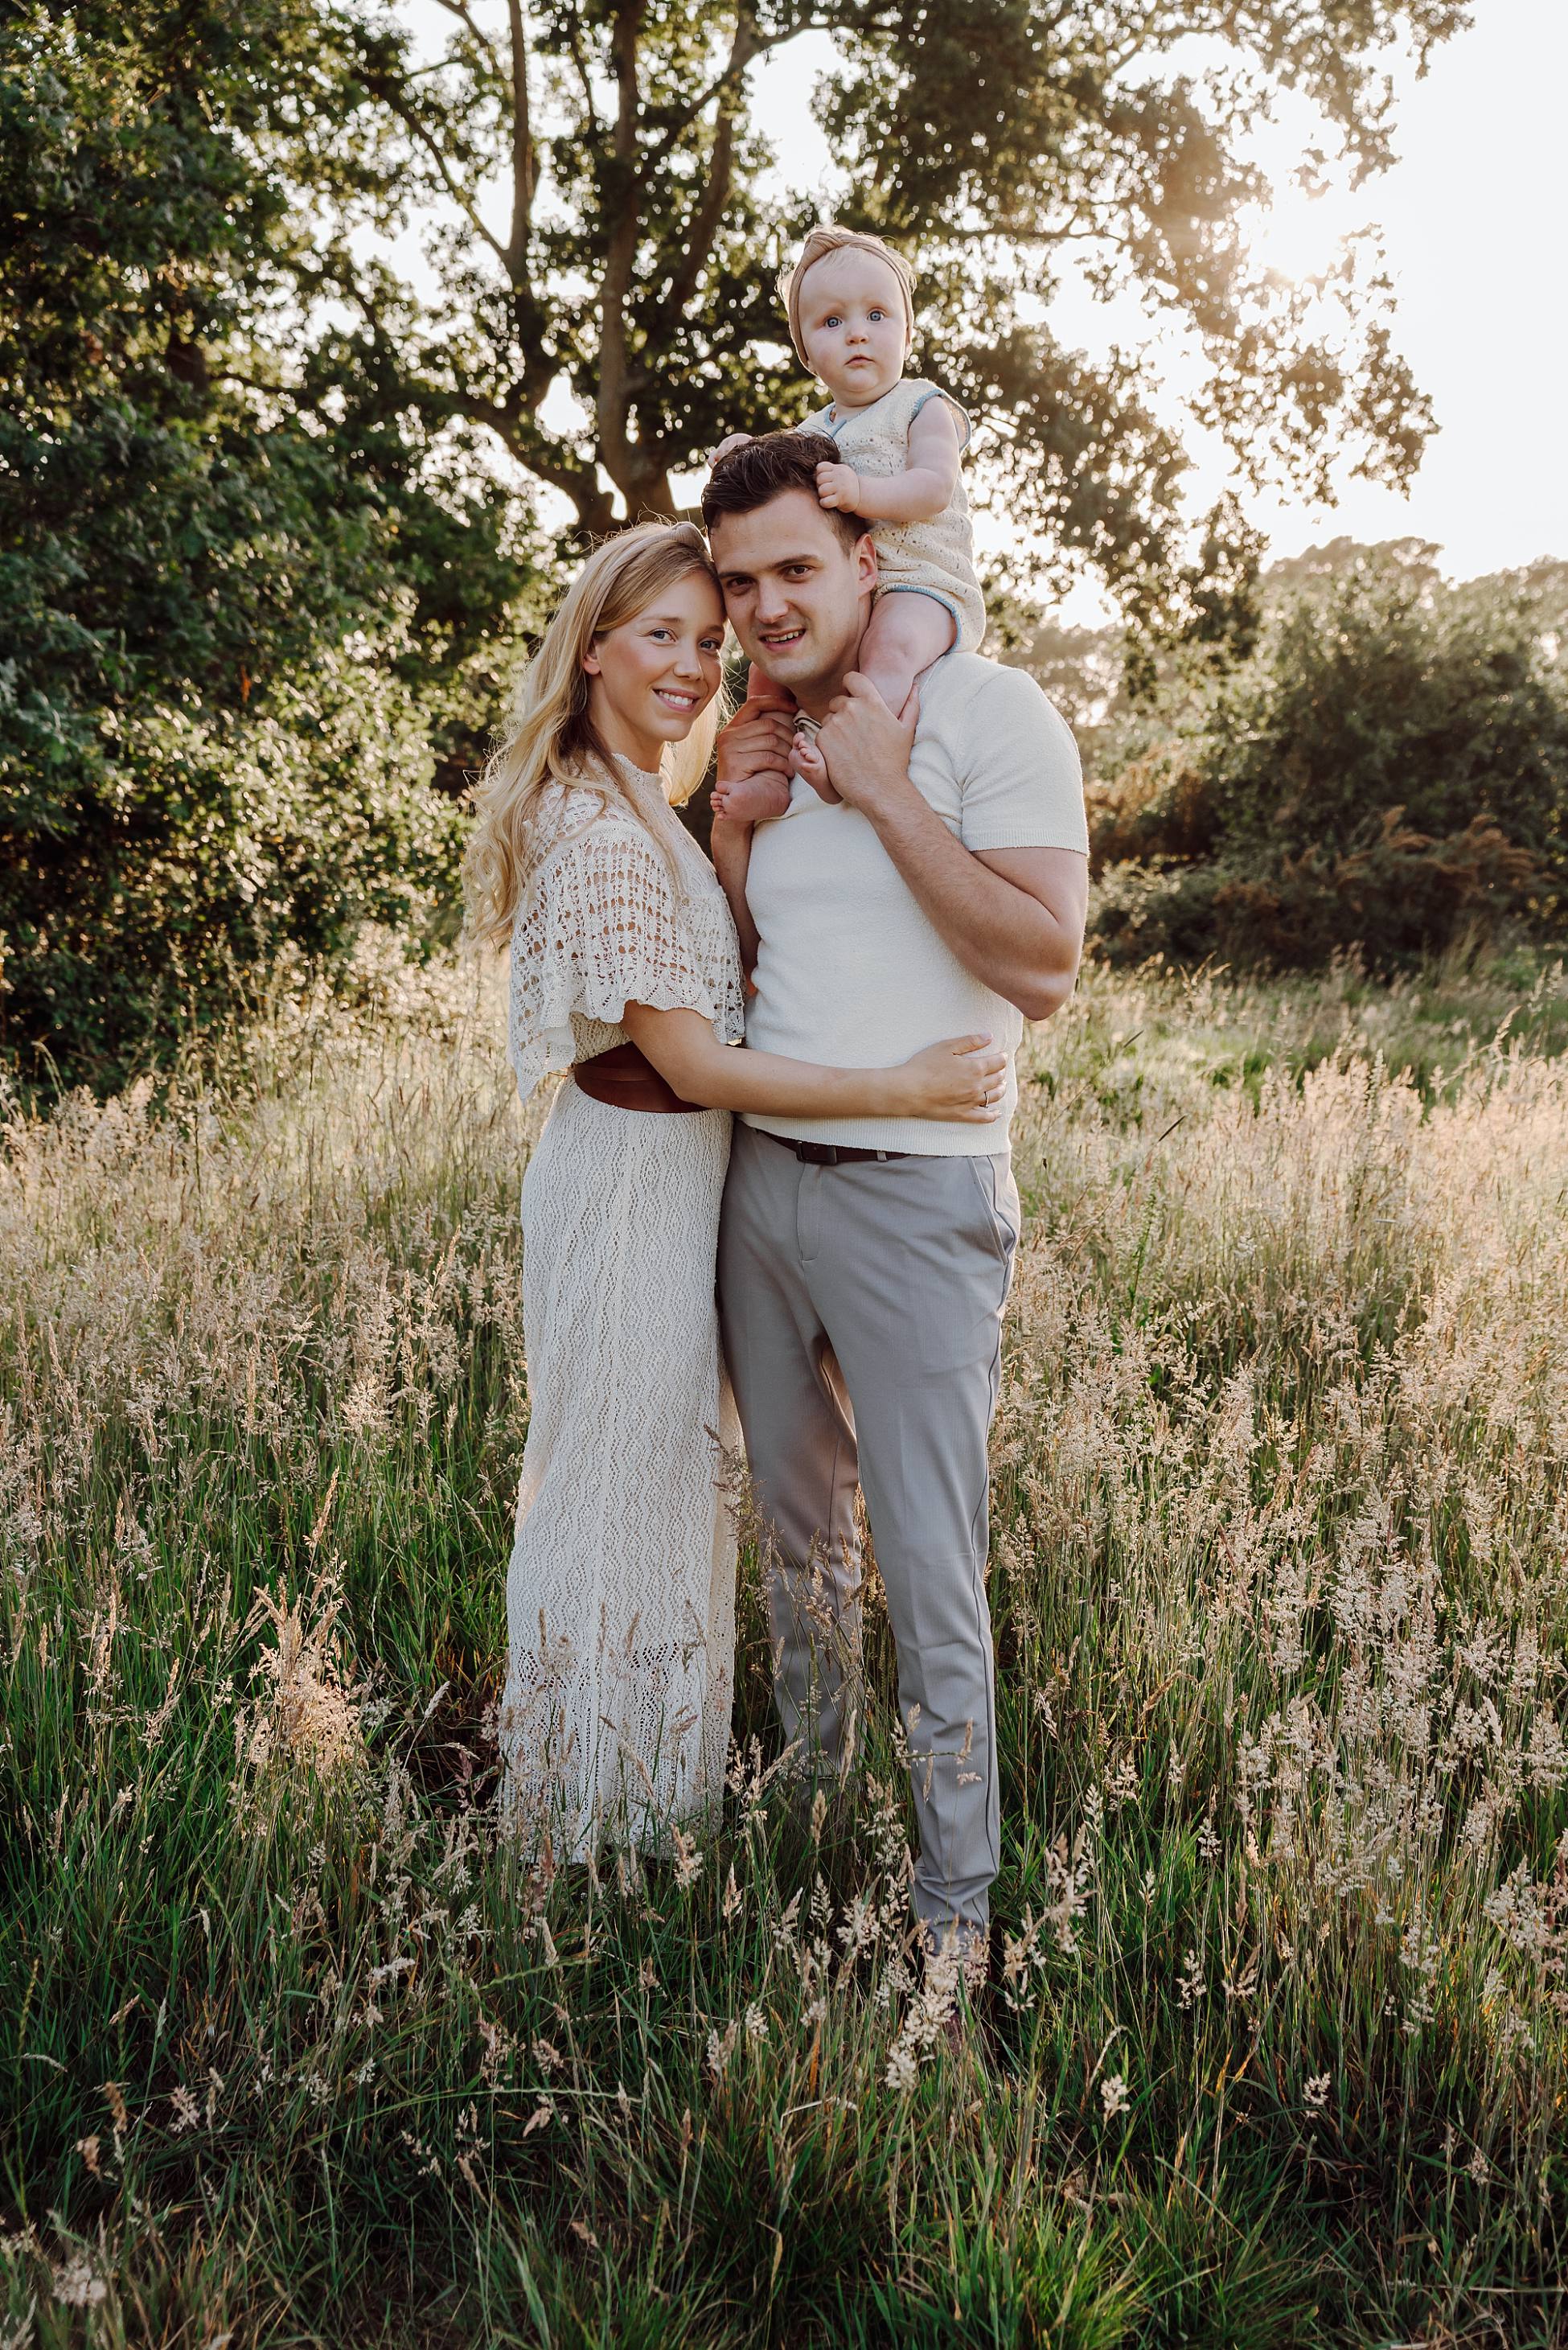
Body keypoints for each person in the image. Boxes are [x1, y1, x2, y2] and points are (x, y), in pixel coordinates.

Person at [462, 520, 1008, 1862]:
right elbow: (698, 1058)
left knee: (662, 1483)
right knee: (611, 1489)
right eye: (662, 635)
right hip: (633, 1185)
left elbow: (724, 959)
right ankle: (575, 1830)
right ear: (591, 646)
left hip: (676, 1184)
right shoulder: (590, 821)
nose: (695, 664)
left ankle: (647, 1808)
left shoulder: (647, 793)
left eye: (709, 642)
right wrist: (907, 1086)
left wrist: (736, 823)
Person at [700, 436, 1090, 1970]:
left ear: (871, 555)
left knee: (931, 1562)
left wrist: (880, 792)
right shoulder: (758, 731)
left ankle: (954, 1930)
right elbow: (744, 973)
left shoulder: (994, 713)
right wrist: (734, 830)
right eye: (740, 582)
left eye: (796, 567)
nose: (765, 606)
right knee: (801, 1541)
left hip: (922, 1205)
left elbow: (1044, 966)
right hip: (763, 1189)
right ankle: (810, 1812)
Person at [711, 224, 983, 819]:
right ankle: (772, 780)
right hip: (852, 591)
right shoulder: (814, 431)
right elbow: (774, 469)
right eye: (832, 322)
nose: (857, 332)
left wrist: (862, 490)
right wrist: (741, 448)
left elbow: (935, 488)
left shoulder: (922, 405)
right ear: (807, 351)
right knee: (765, 678)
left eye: (878, 315)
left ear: (908, 333)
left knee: (886, 654)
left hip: (921, 583)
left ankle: (851, 763)